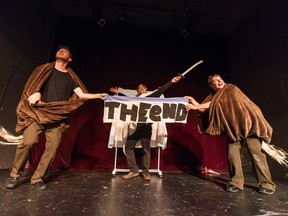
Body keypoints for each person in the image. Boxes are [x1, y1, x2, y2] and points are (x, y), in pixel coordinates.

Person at [5, 45, 107, 190]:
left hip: (58, 118)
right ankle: (14, 174)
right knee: (28, 141)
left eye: (65, 51)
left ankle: (37, 178)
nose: (61, 51)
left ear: (69, 58)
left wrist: (98, 95)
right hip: (39, 113)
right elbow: (32, 87)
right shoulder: (44, 69)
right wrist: (36, 94)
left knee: (51, 149)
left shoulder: (71, 78)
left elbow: (82, 95)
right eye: (60, 50)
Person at [185, 74, 276, 195]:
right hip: (233, 130)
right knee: (232, 153)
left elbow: (213, 104)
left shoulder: (230, 89)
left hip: (248, 127)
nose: (219, 82)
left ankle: (267, 184)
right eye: (215, 81)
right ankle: (236, 182)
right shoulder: (215, 96)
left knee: (256, 153)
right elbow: (206, 108)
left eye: (220, 79)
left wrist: (196, 105)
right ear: (211, 85)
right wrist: (194, 102)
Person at [110, 75, 181, 180]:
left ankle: (146, 172)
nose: (141, 89)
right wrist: (117, 94)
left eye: (143, 87)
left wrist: (171, 81)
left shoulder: (151, 97)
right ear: (137, 91)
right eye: (139, 88)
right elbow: (123, 102)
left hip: (146, 127)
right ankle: (134, 170)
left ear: (146, 89)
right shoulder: (133, 99)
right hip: (135, 128)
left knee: (146, 150)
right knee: (128, 147)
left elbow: (161, 90)